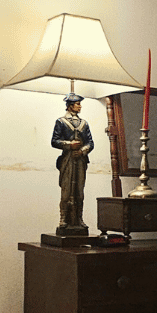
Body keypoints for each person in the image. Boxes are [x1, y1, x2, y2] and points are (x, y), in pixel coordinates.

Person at [52, 92, 94, 232]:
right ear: (70, 106)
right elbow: (54, 141)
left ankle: (79, 218)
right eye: (77, 104)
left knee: (79, 191)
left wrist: (82, 151)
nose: (80, 107)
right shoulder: (61, 122)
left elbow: (90, 143)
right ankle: (63, 218)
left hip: (80, 159)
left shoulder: (84, 124)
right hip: (68, 159)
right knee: (66, 190)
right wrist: (70, 145)